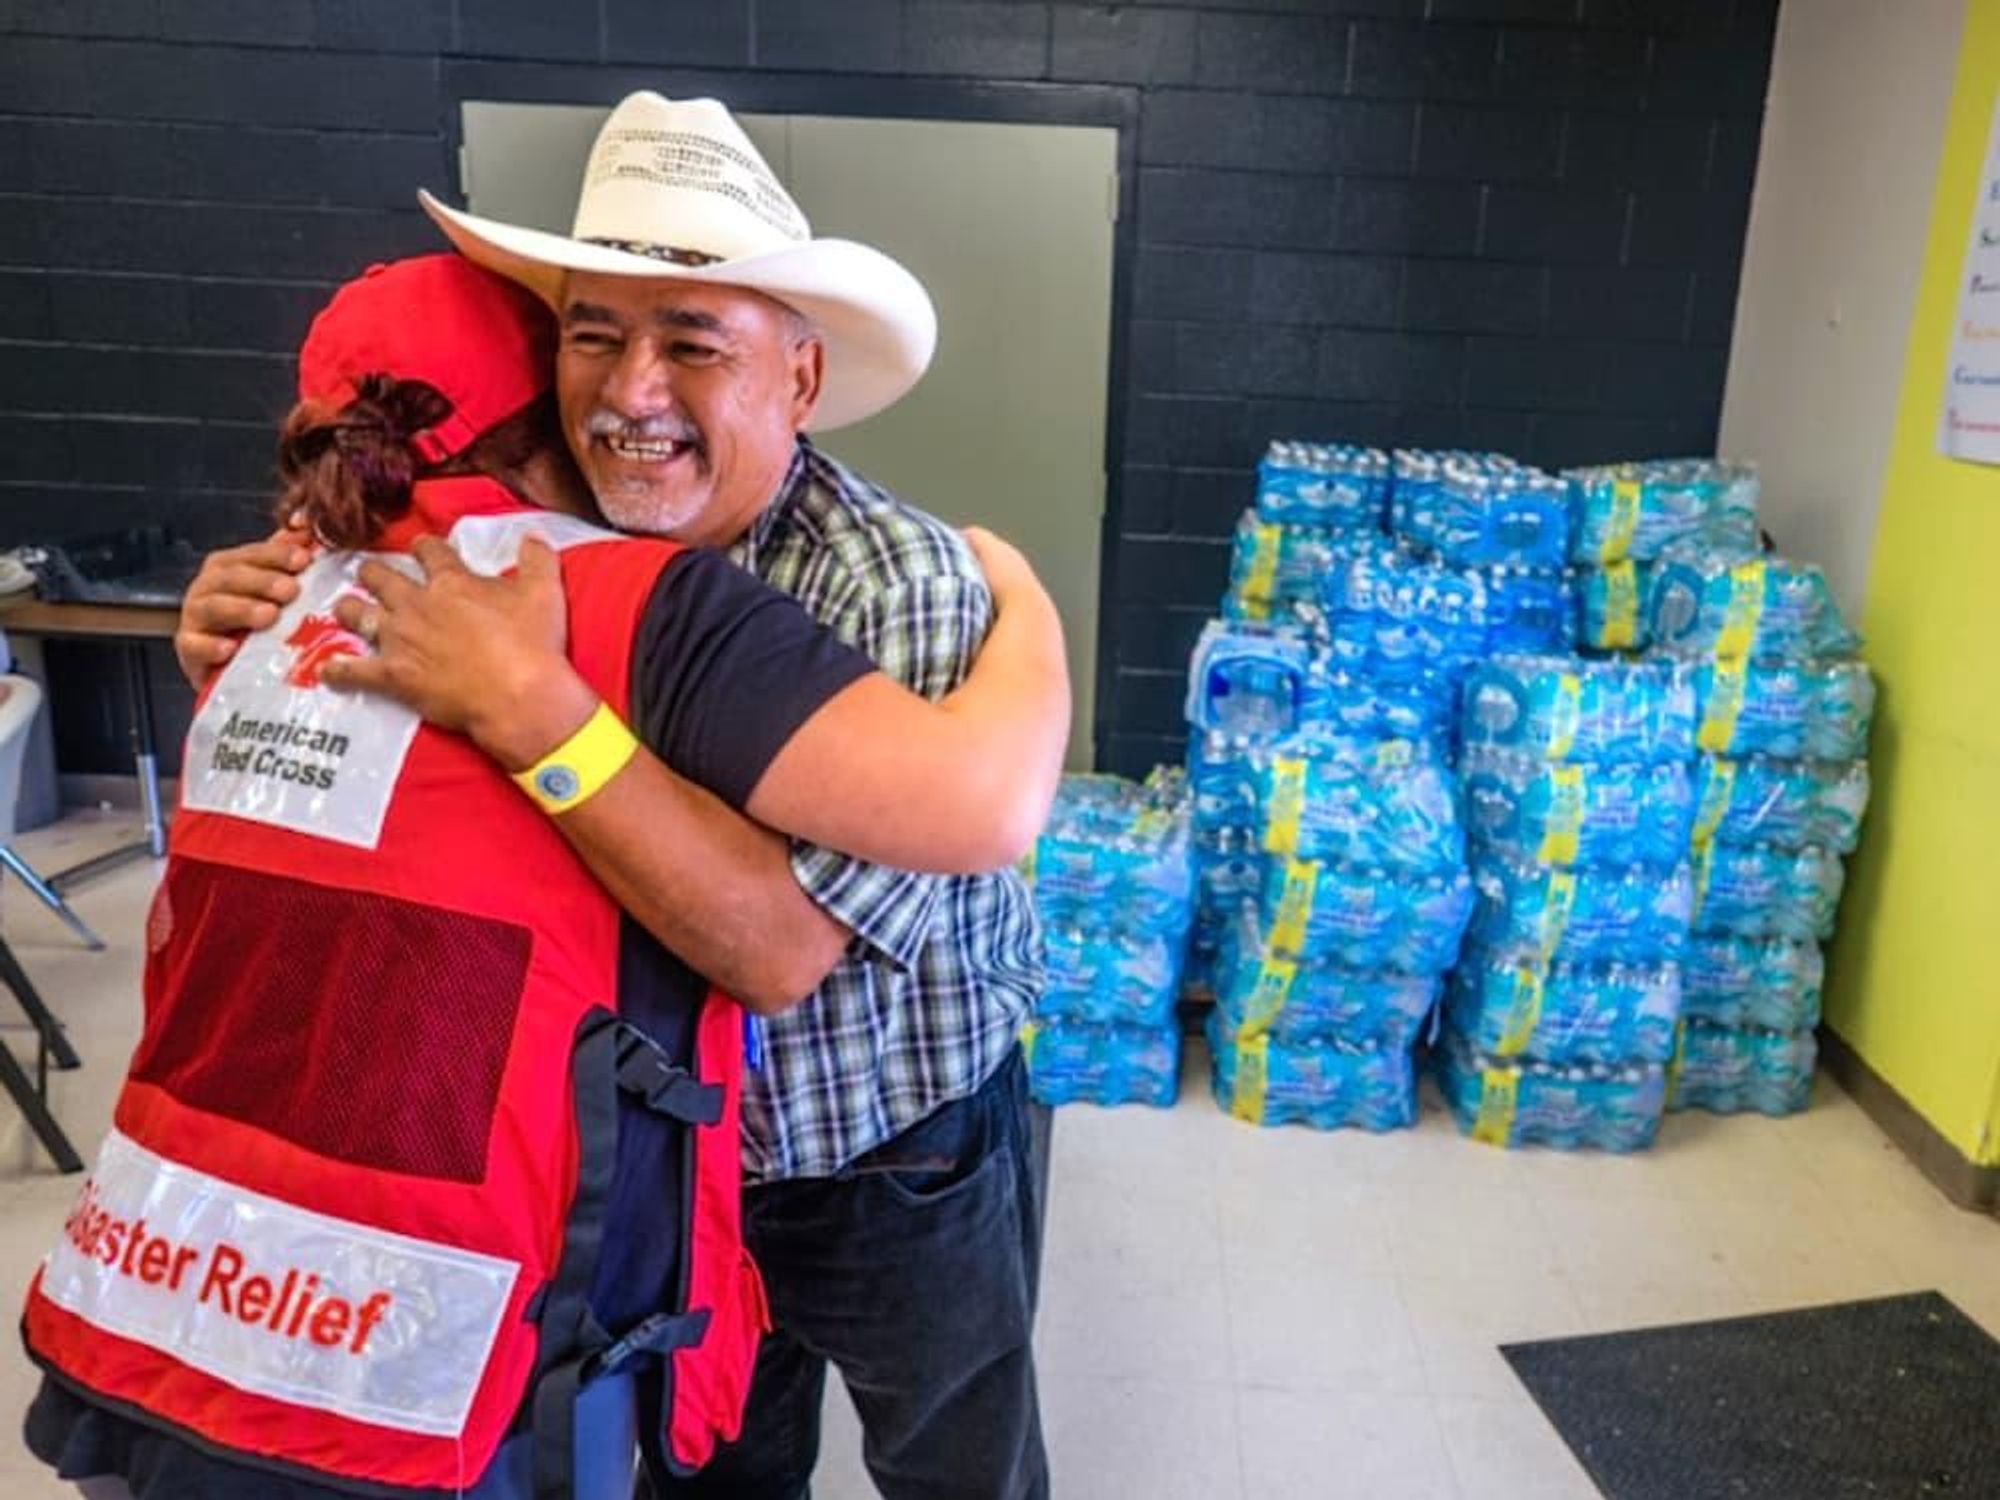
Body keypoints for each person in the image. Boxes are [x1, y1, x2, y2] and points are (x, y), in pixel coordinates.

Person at [27, 255, 1067, 1500]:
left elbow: (831, 915)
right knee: (717, 1465)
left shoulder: (881, 583)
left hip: (882, 1141)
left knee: (956, 1460)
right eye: (594, 337)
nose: (633, 391)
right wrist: (249, 650)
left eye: (692, 343)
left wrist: (1029, 616)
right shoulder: (484, 576)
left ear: (799, 379)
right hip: (664, 1161)